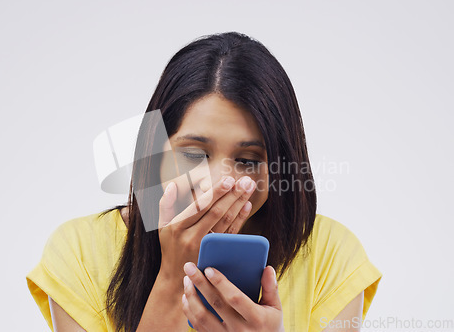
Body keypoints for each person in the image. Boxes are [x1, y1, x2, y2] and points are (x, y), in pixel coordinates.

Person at [26, 31, 382, 332]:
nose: (219, 183)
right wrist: (170, 280)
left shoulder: (333, 256)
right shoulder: (79, 252)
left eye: (246, 161)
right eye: (194, 155)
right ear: (154, 151)